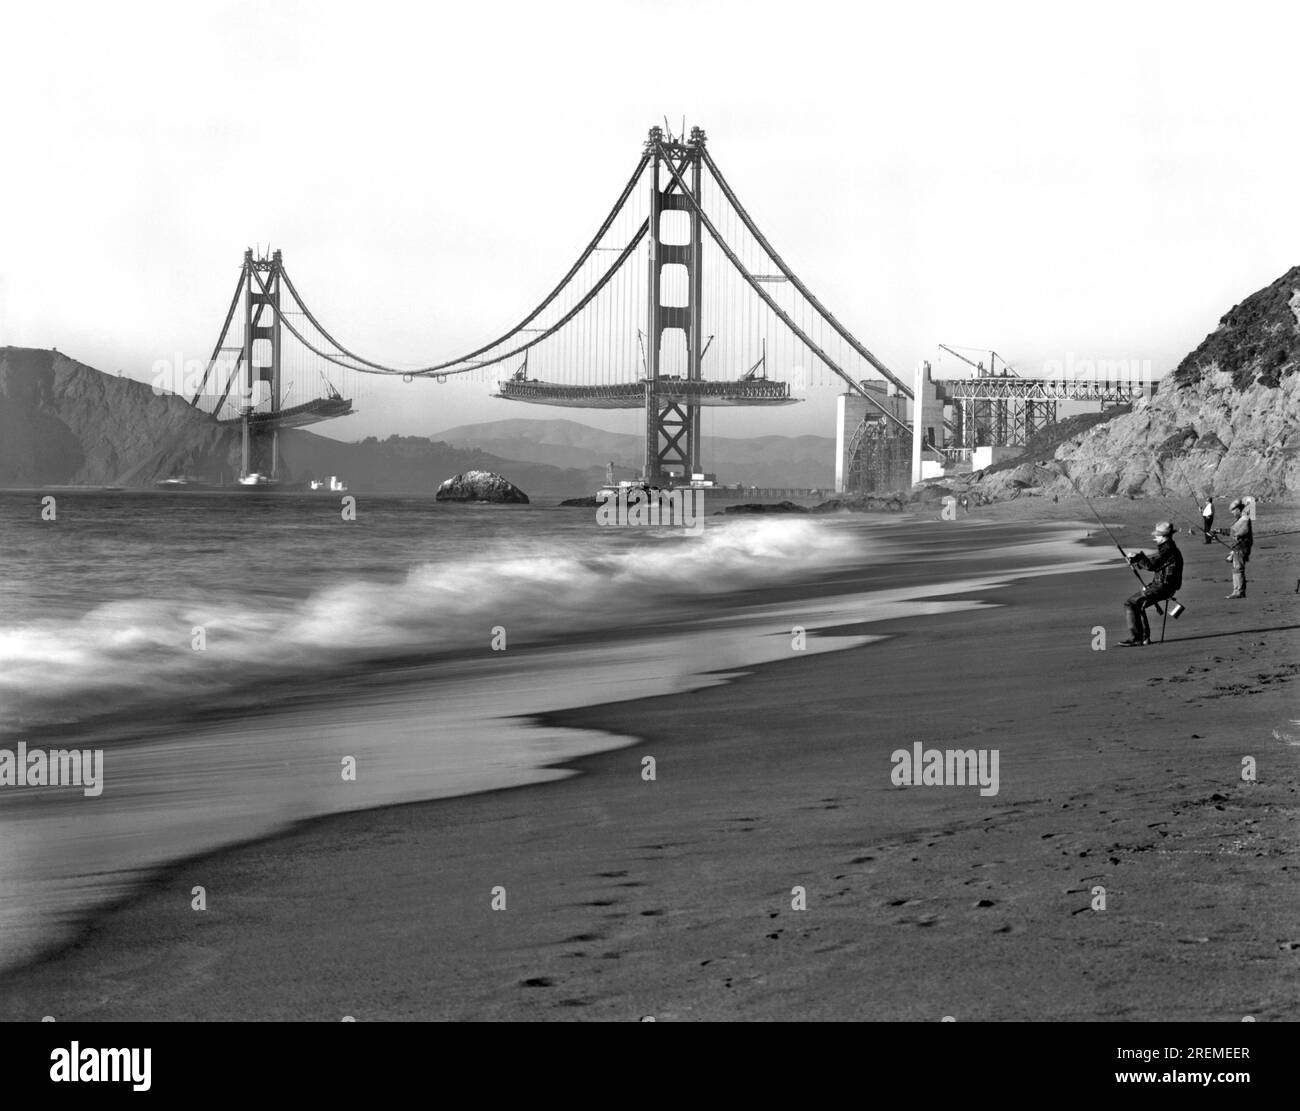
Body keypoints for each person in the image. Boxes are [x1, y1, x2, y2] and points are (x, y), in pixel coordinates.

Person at [1120, 522, 1183, 647]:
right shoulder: (1169, 548)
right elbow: (1155, 563)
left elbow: (1152, 565)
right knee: (1139, 604)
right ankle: (1144, 638)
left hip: (1163, 587)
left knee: (1131, 603)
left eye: (1157, 536)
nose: (1155, 538)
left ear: (1163, 536)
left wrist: (1137, 558)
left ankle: (1137, 638)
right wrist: (1137, 559)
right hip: (1164, 586)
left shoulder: (1168, 549)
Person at [1219, 498, 1252, 599]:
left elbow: (1241, 531)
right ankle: (1237, 590)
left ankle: (1239, 592)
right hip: (1238, 548)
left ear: (1238, 509)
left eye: (1233, 510)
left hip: (1241, 548)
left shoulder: (1244, 518)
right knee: (1236, 569)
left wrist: (1235, 534)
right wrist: (1219, 531)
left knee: (1238, 569)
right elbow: (1232, 531)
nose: (1232, 513)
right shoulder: (1241, 519)